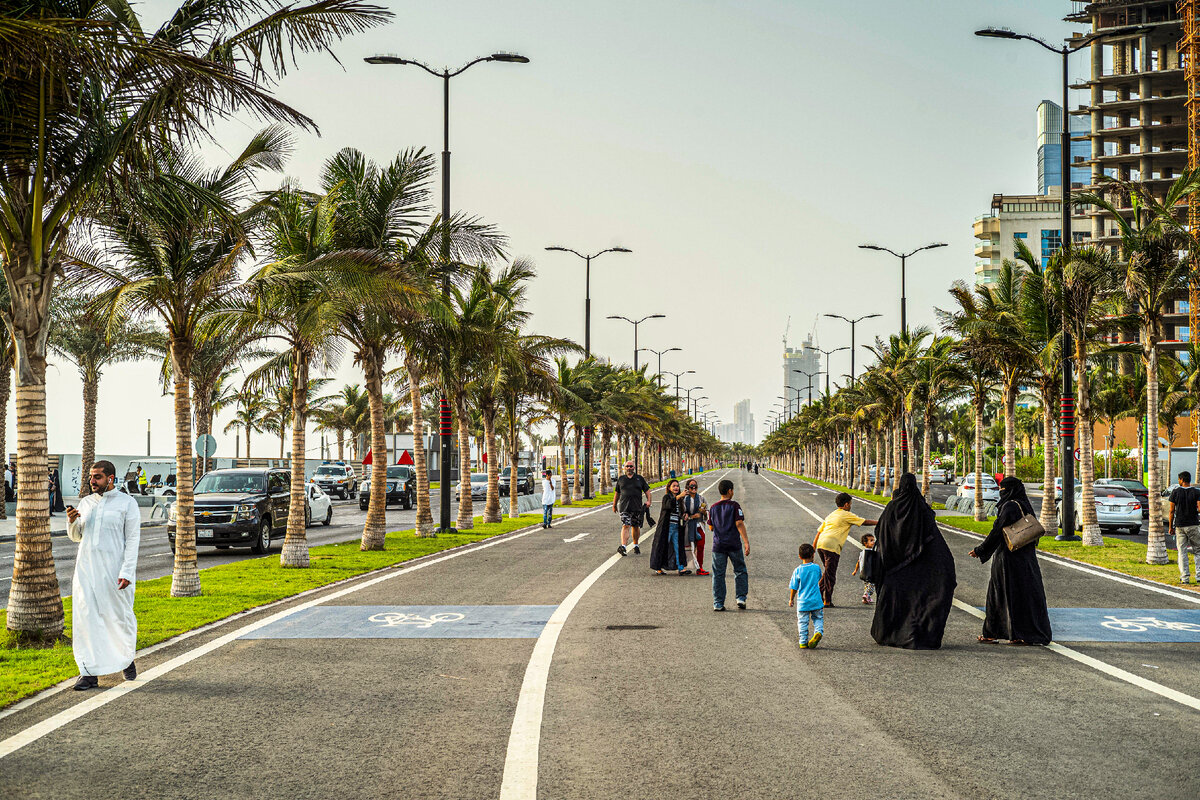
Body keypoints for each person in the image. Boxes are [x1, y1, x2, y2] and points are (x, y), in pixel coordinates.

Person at [66, 460, 142, 690]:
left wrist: (127, 571)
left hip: (114, 571)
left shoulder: (127, 504)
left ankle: (126, 657)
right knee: (86, 620)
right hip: (86, 570)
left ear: (110, 478)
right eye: (91, 476)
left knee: (119, 618)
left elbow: (133, 541)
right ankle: (88, 673)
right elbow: (77, 537)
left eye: (97, 477)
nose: (92, 481)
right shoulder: (86, 503)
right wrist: (72, 521)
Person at [871, 473, 957, 650]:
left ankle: (892, 633)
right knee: (922, 600)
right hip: (923, 568)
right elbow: (934, 540)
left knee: (897, 600)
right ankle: (919, 634)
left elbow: (881, 533)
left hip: (895, 568)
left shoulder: (892, 509)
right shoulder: (922, 509)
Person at [968, 476, 1051, 646]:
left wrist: (980, 550)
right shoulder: (1024, 504)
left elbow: (997, 531)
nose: (1001, 491)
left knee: (998, 594)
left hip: (1008, 560)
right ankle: (1021, 634)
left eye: (1003, 488)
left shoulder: (1009, 506)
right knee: (1023, 596)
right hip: (1026, 559)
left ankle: (991, 634)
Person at [812, 493, 878, 607]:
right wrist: (879, 522)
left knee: (827, 573)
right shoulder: (846, 514)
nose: (850, 506)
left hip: (821, 545)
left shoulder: (831, 515)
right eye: (850, 504)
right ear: (846, 504)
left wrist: (813, 548)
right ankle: (826, 600)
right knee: (830, 575)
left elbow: (819, 531)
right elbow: (864, 522)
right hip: (832, 546)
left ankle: (816, 595)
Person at [708, 478, 750, 611]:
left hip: (718, 545)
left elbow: (710, 527)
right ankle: (740, 598)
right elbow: (739, 523)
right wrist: (746, 542)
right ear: (730, 491)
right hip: (733, 544)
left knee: (718, 574)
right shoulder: (734, 506)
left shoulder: (713, 508)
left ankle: (718, 603)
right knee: (740, 570)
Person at [650, 479, 690, 575]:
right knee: (662, 546)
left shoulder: (680, 499)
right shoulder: (666, 497)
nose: (676, 488)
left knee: (678, 547)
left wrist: (685, 514)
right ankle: (658, 568)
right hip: (666, 527)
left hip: (677, 526)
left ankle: (681, 568)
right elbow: (667, 505)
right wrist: (679, 497)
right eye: (674, 486)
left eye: (677, 486)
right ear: (669, 488)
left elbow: (683, 510)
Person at [788, 542, 824, 649]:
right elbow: (819, 578)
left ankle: (803, 641)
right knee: (818, 618)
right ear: (813, 555)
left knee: (802, 622)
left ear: (799, 556)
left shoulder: (798, 570)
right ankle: (818, 632)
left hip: (803, 601)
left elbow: (794, 587)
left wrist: (791, 599)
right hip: (816, 600)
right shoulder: (816, 568)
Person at [612, 460, 651, 556]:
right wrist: (614, 505)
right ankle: (624, 546)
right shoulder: (621, 479)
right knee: (626, 525)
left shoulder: (639, 479)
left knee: (635, 526)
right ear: (624, 468)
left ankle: (636, 545)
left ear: (634, 468)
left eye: (631, 466)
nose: (629, 468)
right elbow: (617, 493)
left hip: (637, 507)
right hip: (624, 507)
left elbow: (647, 490)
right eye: (627, 466)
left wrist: (649, 500)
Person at [1169, 471, 1200, 584]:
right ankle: (1199, 575)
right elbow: (1199, 508)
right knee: (1198, 551)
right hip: (1193, 524)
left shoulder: (1175, 492)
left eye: (1179, 479)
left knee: (1182, 552)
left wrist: (1171, 526)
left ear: (1181, 480)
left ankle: (1185, 577)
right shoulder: (1196, 492)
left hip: (1180, 525)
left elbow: (1172, 511)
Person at [681, 478, 709, 576]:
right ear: (687, 488)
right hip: (688, 526)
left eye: (695, 486)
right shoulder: (684, 500)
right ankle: (684, 567)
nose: (693, 488)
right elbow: (682, 514)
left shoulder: (702, 498)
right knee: (688, 548)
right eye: (691, 486)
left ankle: (700, 568)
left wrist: (704, 512)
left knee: (701, 546)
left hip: (699, 525)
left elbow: (707, 511)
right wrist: (691, 516)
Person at [851, 532, 880, 604]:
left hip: (863, 572)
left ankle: (866, 599)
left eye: (873, 540)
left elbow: (858, 562)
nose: (873, 542)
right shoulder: (872, 553)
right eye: (871, 540)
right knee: (871, 585)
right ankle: (867, 594)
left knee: (867, 585)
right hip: (870, 573)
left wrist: (855, 571)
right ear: (865, 543)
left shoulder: (862, 552)